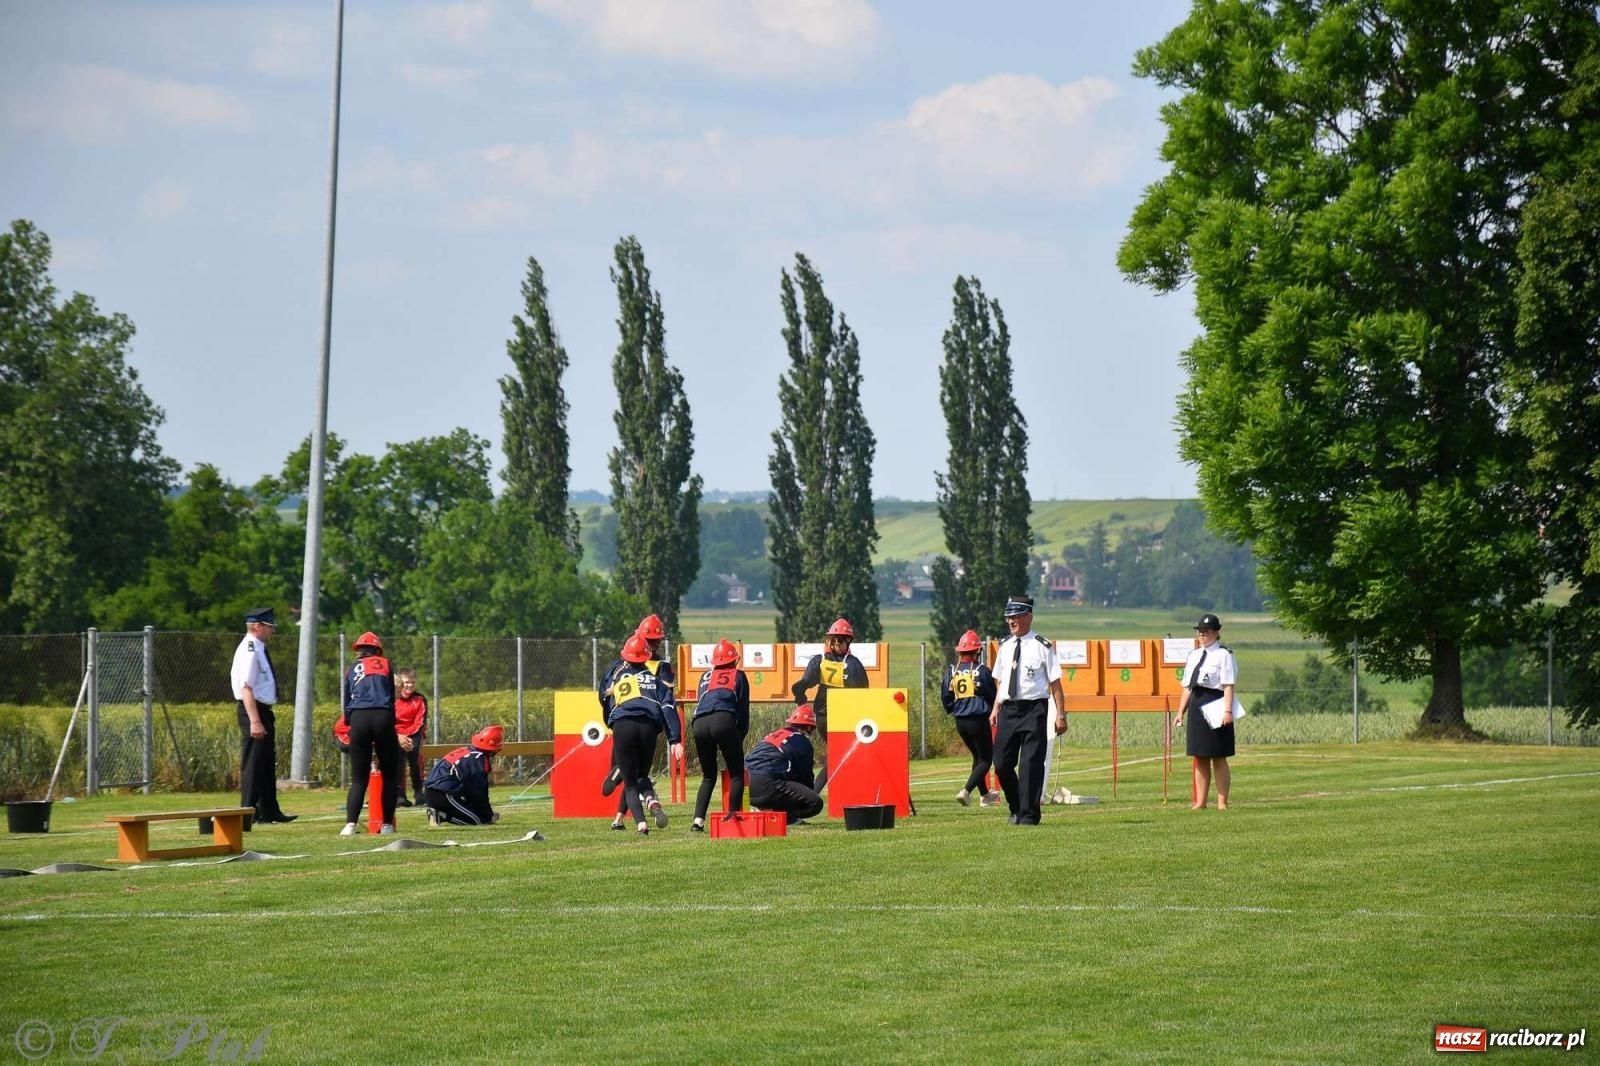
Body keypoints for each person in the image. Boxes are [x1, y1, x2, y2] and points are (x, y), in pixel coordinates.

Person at [988, 595, 1066, 825]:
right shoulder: (1005, 646)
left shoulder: (1042, 646)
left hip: (1034, 709)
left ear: (1028, 616)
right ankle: (1016, 807)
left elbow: (1055, 684)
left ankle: (1029, 816)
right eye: (1008, 617)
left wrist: (1061, 715)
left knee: (1030, 765)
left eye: (1015, 616)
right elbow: (1001, 680)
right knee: (1001, 763)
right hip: (1009, 710)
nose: (1011, 621)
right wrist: (996, 707)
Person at [599, 633, 683, 835]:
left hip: (623, 725)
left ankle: (641, 825)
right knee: (642, 776)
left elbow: (605, 699)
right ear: (646, 657)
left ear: (626, 656)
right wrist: (675, 739)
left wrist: (611, 723)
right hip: (648, 727)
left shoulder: (617, 676)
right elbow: (668, 707)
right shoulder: (655, 680)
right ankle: (651, 800)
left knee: (630, 784)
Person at [230, 607, 295, 823]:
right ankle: (247, 812)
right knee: (254, 762)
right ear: (257, 626)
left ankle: (269, 810)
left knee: (266, 761)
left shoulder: (258, 648)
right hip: (253, 710)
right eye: (269, 626)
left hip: (263, 709)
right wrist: (255, 721)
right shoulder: (250, 650)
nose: (273, 630)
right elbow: (246, 688)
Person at [1172, 613, 1238, 810]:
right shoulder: (1194, 655)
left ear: (1216, 633)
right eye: (1200, 632)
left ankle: (1222, 802)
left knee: (1218, 755)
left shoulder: (1224, 654)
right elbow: (1188, 687)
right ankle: (1200, 802)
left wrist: (1228, 711)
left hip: (1216, 702)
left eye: (1206, 631)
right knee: (1199, 755)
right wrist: (1180, 712)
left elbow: (1228, 685)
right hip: (1197, 703)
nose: (1202, 635)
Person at [340, 631, 402, 836]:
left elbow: (346, 699)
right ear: (377, 650)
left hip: (358, 717)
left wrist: (349, 721)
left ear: (358, 650)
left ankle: (350, 825)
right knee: (390, 776)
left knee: (359, 778)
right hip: (382, 716)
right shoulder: (385, 664)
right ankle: (386, 825)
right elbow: (391, 696)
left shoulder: (350, 669)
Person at [690, 639, 751, 832]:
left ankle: (697, 822)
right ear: (734, 660)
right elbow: (743, 711)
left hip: (699, 723)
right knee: (736, 774)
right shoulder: (739, 675)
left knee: (708, 776)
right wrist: (738, 737)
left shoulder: (704, 676)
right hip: (723, 720)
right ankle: (732, 818)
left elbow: (702, 701)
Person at [942, 629, 1000, 807]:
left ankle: (985, 795)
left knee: (977, 757)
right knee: (986, 759)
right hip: (978, 720)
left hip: (960, 721)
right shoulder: (982, 670)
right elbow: (993, 694)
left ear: (960, 651)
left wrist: (954, 709)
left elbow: (945, 697)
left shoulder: (952, 671)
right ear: (977, 651)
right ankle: (966, 791)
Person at [745, 704, 823, 825]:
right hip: (767, 785)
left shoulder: (773, 735)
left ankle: (764, 810)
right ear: (809, 727)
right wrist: (808, 793)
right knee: (815, 803)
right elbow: (805, 776)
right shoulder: (802, 741)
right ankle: (781, 817)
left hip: (746, 786)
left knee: (785, 785)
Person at [424, 724, 504, 826]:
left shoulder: (466, 751)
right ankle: (440, 815)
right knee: (479, 821)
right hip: (444, 794)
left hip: (432, 792)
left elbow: (469, 790)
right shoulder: (478, 759)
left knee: (479, 816)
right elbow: (478, 792)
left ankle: (438, 812)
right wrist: (488, 816)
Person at [393, 668, 428, 807]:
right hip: (396, 735)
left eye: (412, 682)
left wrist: (407, 736)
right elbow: (388, 720)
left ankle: (419, 793)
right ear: (400, 683)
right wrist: (399, 736)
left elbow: (420, 722)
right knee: (398, 759)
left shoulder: (419, 699)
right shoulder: (392, 698)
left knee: (415, 758)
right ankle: (400, 795)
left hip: (414, 734)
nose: (409, 685)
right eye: (406, 682)